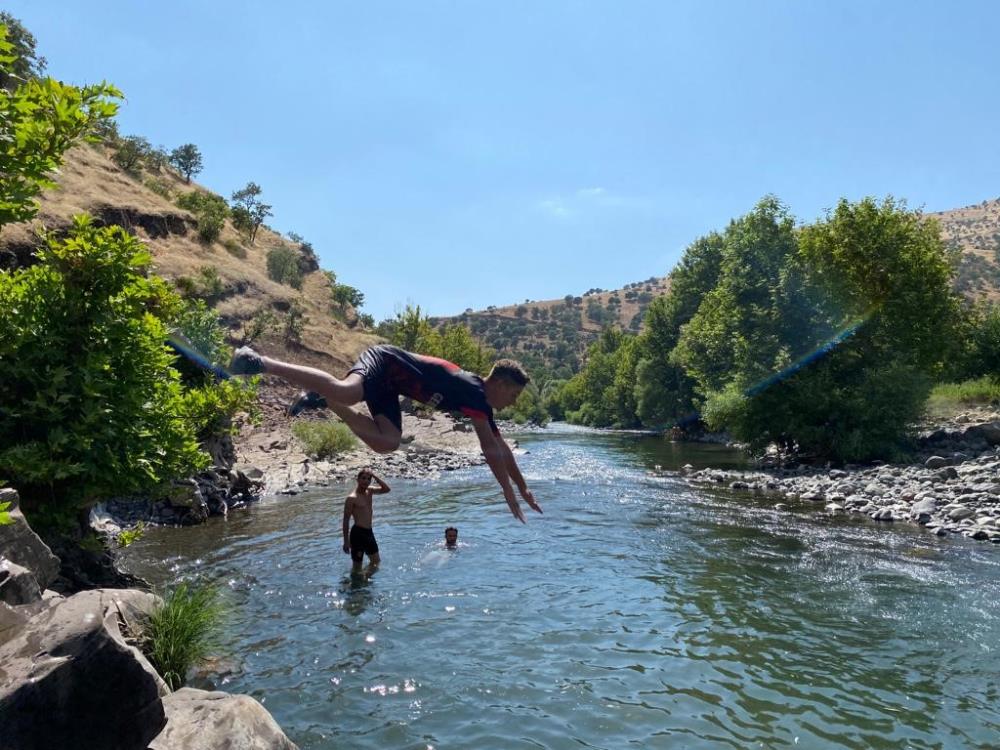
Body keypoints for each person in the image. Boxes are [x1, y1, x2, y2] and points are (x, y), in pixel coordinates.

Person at [230, 344, 542, 523]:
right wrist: (507, 492)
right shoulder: (475, 393)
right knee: (349, 391)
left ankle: (324, 401)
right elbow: (490, 449)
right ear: (499, 384)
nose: (512, 402)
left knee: (388, 442)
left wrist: (523, 488)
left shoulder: (480, 403)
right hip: (383, 360)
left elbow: (501, 448)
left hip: (390, 387)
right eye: (513, 395)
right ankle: (259, 361)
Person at [343, 467, 390, 573]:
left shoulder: (370, 491)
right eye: (363, 478)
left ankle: (365, 579)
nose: (366, 481)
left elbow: (387, 489)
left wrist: (374, 476)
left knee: (376, 562)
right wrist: (346, 541)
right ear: (358, 480)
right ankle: (355, 587)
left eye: (368, 479)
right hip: (357, 534)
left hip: (369, 533)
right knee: (357, 567)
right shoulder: (352, 498)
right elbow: (346, 520)